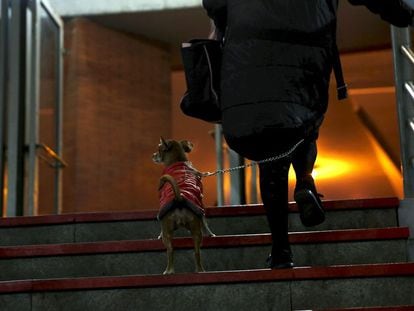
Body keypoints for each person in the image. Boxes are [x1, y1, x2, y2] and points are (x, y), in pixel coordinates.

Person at [202, 0, 413, 269]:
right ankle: (304, 181)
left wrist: (224, 22)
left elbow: (214, 3)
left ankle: (281, 251)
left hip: (250, 55)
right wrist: (403, 13)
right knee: (302, 125)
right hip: (305, 50)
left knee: (270, 154)